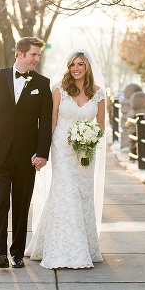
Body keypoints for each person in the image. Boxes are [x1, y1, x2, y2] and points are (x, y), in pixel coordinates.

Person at [25, 49, 107, 269]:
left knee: (82, 195)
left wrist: (90, 141)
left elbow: (101, 127)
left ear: (87, 67)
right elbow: (51, 121)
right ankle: (65, 250)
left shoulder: (98, 94)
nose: (76, 68)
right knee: (66, 193)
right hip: (61, 146)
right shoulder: (59, 89)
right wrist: (43, 150)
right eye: (73, 65)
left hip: (85, 150)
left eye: (80, 64)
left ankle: (85, 246)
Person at [0, 37, 52, 269]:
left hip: (26, 156)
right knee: (1, 202)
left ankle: (17, 253)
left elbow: (45, 121)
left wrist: (42, 153)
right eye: (33, 55)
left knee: (21, 205)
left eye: (39, 56)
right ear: (20, 54)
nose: (37, 59)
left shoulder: (42, 83)